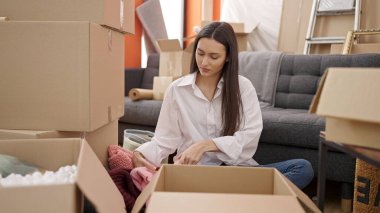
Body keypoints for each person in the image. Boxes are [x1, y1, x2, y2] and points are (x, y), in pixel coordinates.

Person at [132, 22, 314, 189]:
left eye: (214, 56)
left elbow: (248, 137)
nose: (204, 62)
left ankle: (230, 198)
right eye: (200, 53)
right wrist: (140, 154)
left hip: (237, 172)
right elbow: (165, 139)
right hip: (195, 175)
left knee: (303, 168)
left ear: (227, 57)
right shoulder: (177, 90)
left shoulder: (243, 88)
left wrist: (206, 145)